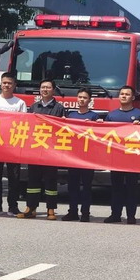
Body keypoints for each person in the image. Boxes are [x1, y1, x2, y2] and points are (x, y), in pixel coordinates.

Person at [17, 79, 65, 220]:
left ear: (53, 90)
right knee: (33, 180)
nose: (45, 90)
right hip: (35, 149)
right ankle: (30, 208)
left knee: (51, 180)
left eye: (48, 87)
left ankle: (51, 209)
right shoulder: (34, 107)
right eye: (43, 87)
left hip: (51, 151)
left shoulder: (59, 108)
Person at [0, 72, 27, 216]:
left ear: (14, 85)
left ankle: (13, 206)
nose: (6, 85)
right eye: (4, 83)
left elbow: (24, 123)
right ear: (0, 84)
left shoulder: (19, 103)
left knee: (14, 177)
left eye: (9, 83)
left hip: (13, 144)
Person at [103, 85, 140, 225]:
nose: (124, 96)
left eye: (127, 94)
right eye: (122, 94)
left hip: (132, 158)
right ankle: (115, 214)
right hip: (116, 158)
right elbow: (104, 134)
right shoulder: (112, 115)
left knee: (131, 188)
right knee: (116, 188)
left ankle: (131, 216)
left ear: (133, 97)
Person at [62, 88, 100, 223]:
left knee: (87, 186)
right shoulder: (71, 115)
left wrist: (97, 124)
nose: (82, 100)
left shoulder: (94, 116)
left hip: (88, 157)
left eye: (84, 98)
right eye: (80, 97)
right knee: (72, 185)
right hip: (73, 156)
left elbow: (99, 135)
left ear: (90, 100)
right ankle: (72, 211)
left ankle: (85, 213)